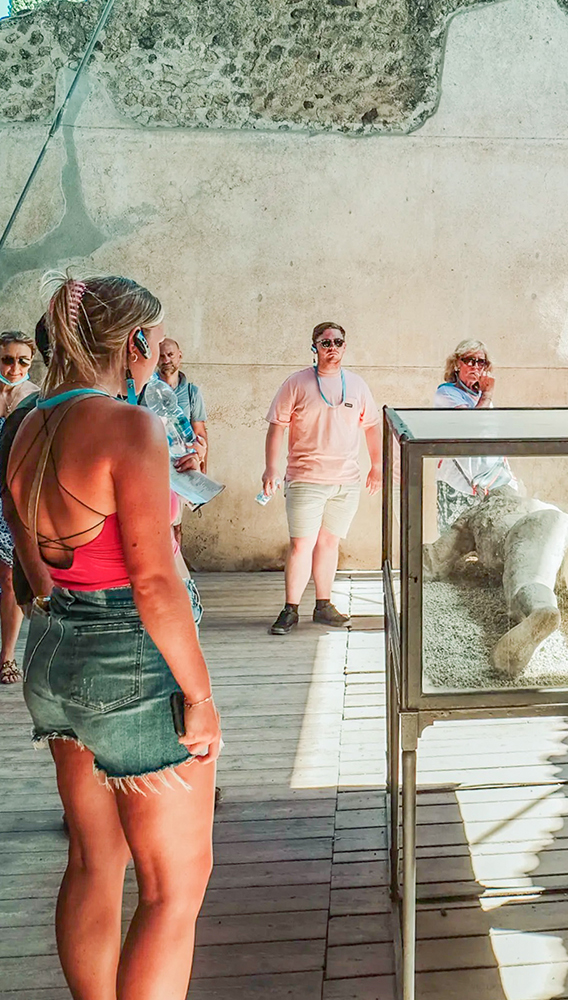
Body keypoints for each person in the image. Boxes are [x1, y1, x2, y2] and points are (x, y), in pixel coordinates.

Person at [5, 273, 219, 999]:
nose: (156, 355)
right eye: (151, 341)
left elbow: (30, 570)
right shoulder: (130, 427)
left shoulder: (24, 422)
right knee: (172, 892)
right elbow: (154, 584)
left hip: (54, 651)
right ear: (132, 342)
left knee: (95, 861)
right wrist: (199, 696)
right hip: (132, 661)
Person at [261, 321, 381, 634]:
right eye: (325, 343)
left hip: (346, 481)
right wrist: (271, 468)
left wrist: (377, 466)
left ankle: (323, 604)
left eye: (338, 342)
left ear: (345, 346)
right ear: (314, 347)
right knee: (301, 544)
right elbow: (277, 425)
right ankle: (290, 609)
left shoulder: (356, 384)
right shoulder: (296, 383)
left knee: (329, 543)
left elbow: (370, 427)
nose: (332, 348)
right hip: (306, 478)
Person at [433, 339, 514, 533]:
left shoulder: (481, 397)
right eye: (470, 360)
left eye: (481, 362)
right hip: (458, 485)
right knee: (454, 547)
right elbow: (470, 426)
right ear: (456, 364)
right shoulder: (446, 393)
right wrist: (487, 396)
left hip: (487, 484)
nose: (475, 366)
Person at [0, 329, 39, 684]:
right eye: (7, 359)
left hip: (9, 500)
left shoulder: (34, 399)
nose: (14, 367)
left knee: (9, 577)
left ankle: (7, 655)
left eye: (22, 360)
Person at [153, 337, 208, 473]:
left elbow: (199, 432)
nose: (166, 360)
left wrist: (203, 470)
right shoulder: (144, 390)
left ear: (179, 356)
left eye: (170, 355)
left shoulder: (192, 392)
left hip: (182, 467)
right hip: (151, 465)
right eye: (161, 356)